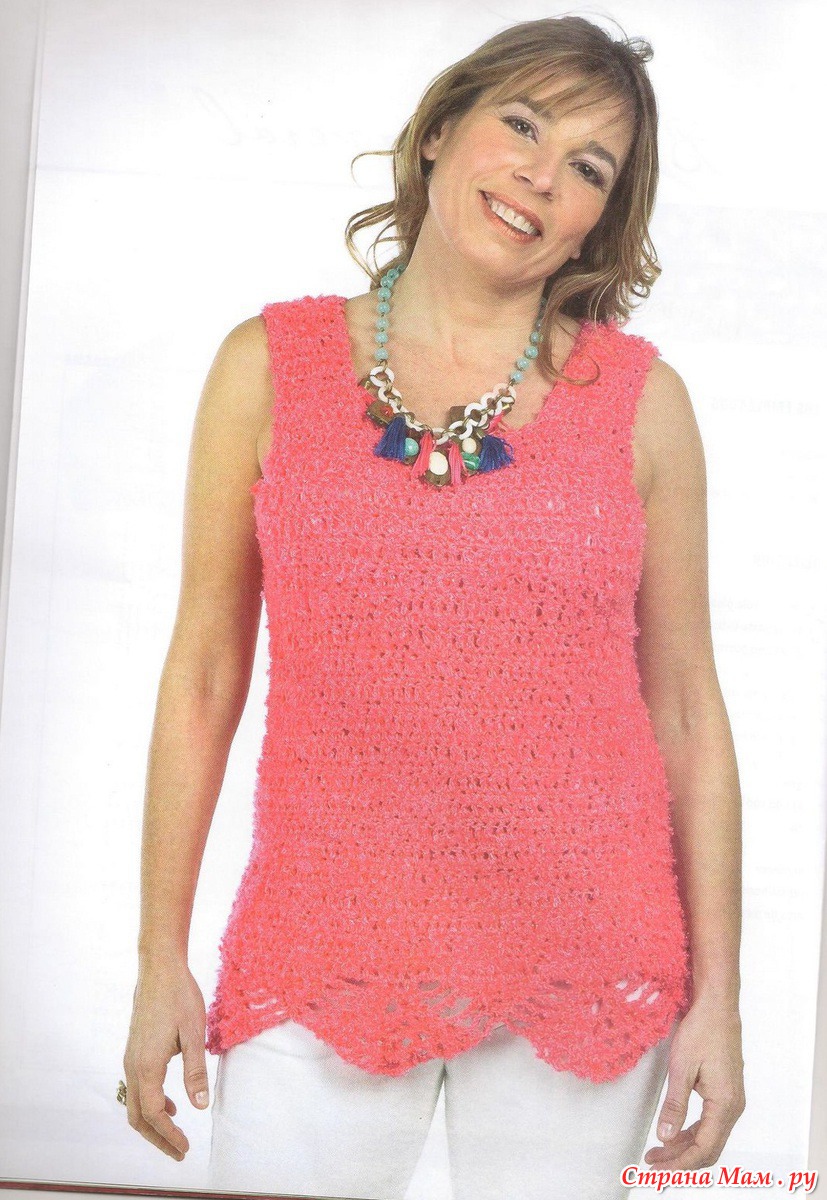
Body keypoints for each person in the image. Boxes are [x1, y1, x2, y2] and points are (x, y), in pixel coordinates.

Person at [120, 14, 746, 1200]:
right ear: (440, 131)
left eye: (586, 167)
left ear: (598, 219)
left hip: (582, 963)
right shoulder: (267, 366)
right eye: (520, 124)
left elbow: (684, 710)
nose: (540, 176)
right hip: (321, 946)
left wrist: (720, 998)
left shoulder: (641, 404)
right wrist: (160, 960)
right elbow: (202, 675)